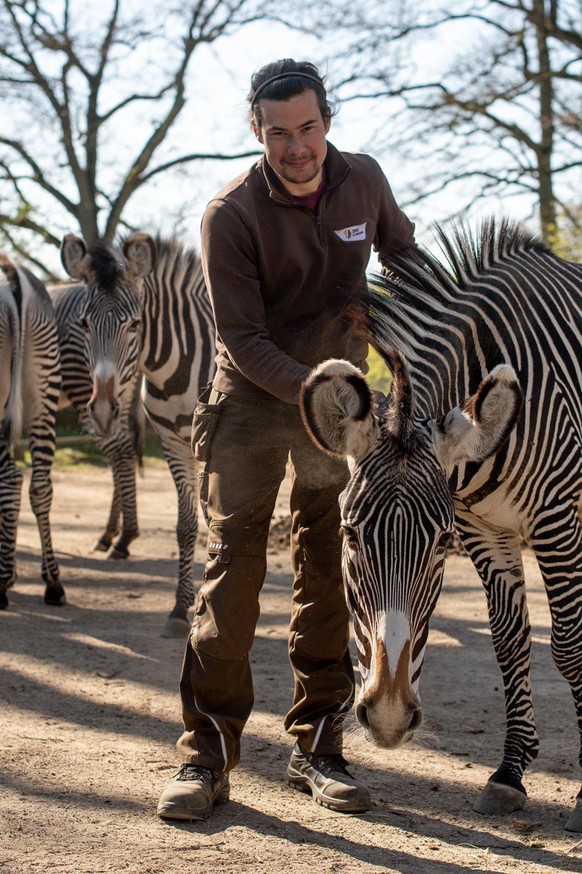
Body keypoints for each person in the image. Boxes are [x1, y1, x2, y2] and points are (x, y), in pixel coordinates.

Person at [157, 58, 415, 821]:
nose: (296, 146)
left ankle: (320, 746)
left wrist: (406, 344)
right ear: (256, 132)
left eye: (307, 128)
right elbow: (239, 339)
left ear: (326, 122)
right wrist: (324, 393)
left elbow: (405, 262)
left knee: (331, 573)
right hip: (251, 407)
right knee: (232, 578)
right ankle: (206, 756)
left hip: (340, 410)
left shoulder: (363, 180)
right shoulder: (229, 213)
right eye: (278, 133)